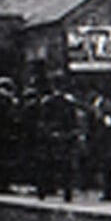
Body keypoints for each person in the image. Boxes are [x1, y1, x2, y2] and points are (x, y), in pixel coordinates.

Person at [38, 74, 77, 202]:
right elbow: (73, 122)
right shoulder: (69, 103)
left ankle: (43, 191)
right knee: (65, 167)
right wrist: (70, 134)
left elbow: (43, 121)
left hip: (52, 139)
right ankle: (67, 192)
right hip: (65, 138)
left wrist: (49, 133)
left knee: (47, 165)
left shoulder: (47, 102)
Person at [89, 90, 111, 201]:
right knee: (106, 168)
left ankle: (108, 192)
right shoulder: (105, 106)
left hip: (106, 143)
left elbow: (109, 125)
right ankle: (108, 190)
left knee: (106, 168)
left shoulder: (106, 108)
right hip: (105, 143)